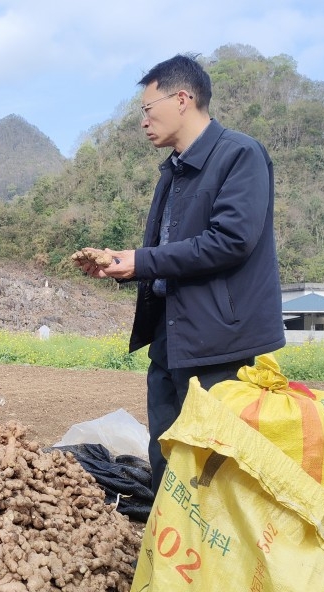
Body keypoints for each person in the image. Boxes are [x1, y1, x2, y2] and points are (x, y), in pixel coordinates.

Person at [74, 53, 285, 493]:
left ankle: (211, 552)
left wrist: (143, 259)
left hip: (218, 340)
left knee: (213, 464)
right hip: (171, 334)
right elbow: (168, 252)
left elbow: (231, 241)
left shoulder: (239, 155)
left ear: (183, 99)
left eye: (147, 109)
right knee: (165, 450)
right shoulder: (172, 171)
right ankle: (166, 542)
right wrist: (124, 264)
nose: (143, 121)